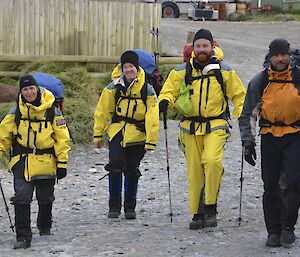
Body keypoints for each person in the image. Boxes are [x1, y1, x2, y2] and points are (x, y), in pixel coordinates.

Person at [158, 29, 246, 230]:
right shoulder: (181, 71)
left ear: (212, 47)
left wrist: (240, 113)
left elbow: (239, 95)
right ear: (193, 49)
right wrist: (164, 102)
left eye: (205, 46)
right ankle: (197, 213)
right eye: (198, 46)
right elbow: (168, 91)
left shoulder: (224, 70)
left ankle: (211, 208)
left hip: (216, 124)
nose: (202, 50)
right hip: (189, 127)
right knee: (195, 170)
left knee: (212, 162)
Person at [239, 38, 300, 248]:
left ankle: (288, 228)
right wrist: (248, 143)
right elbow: (248, 114)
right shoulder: (261, 81)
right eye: (277, 55)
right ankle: (273, 231)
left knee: (292, 183)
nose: (281, 59)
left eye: (284, 55)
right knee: (271, 183)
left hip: (295, 134)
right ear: (270, 56)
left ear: (289, 55)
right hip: (269, 136)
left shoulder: (298, 78)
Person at [0, 75, 70, 249]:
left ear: (37, 89)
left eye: (31, 88)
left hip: (47, 160)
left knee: (45, 196)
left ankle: (44, 225)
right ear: (21, 92)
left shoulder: (52, 110)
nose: (29, 92)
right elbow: (3, 136)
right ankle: (23, 237)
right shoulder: (16, 112)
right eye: (25, 90)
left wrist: (62, 163)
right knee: (21, 197)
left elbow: (62, 138)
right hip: (22, 161)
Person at [94, 50, 159, 219]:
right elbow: (102, 112)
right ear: (121, 68)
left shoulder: (147, 89)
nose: (129, 70)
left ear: (137, 68)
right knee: (114, 167)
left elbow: (152, 116)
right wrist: (98, 135)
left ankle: (130, 207)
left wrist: (151, 141)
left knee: (131, 169)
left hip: (138, 135)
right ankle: (114, 206)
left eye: (131, 67)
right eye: (126, 67)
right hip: (117, 132)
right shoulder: (113, 88)